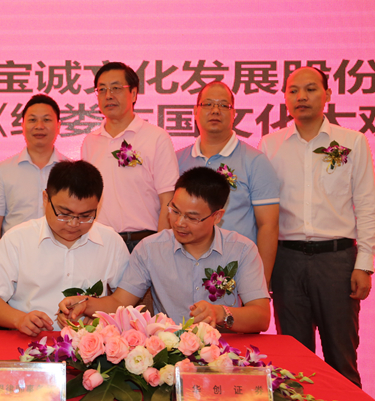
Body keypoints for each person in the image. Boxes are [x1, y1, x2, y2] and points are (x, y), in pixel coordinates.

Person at [259, 66, 374, 387]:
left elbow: (367, 206)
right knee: (293, 364)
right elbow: (263, 213)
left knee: (341, 358)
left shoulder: (353, 142)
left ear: (327, 95)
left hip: (337, 261)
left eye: (310, 89)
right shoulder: (270, 145)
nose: (301, 97)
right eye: (293, 90)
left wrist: (364, 264)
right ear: (285, 98)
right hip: (286, 261)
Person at [59, 167, 270, 333]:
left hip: (225, 351)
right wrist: (85, 304)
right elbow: (119, 302)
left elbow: (261, 317)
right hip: (169, 351)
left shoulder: (242, 250)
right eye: (174, 210)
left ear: (217, 216)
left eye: (192, 217)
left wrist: (221, 313)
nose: (179, 223)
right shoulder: (150, 249)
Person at [0, 160, 130, 336]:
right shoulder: (17, 239)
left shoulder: (111, 242)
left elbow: (125, 299)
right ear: (46, 199)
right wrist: (19, 319)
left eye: (85, 216)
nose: (73, 223)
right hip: (29, 340)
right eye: (64, 214)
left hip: (90, 342)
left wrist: (102, 316)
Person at [177, 82, 280, 285]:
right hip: (183, 270)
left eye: (224, 105)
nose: (215, 110)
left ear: (234, 114)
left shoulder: (255, 161)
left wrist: (261, 282)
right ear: (195, 111)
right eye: (208, 104)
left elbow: (268, 225)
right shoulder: (178, 160)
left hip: (235, 272)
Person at [82, 62, 178, 251]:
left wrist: (159, 249)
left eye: (116, 88)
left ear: (133, 94)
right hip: (101, 244)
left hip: (143, 242)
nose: (108, 95)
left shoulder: (156, 138)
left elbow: (168, 200)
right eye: (102, 89)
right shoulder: (90, 142)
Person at [0, 94, 68, 254]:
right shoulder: (4, 169)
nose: (39, 126)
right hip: (15, 256)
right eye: (32, 120)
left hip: (60, 256)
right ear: (22, 125)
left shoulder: (71, 170)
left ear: (58, 126)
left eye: (47, 120)